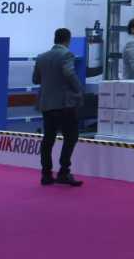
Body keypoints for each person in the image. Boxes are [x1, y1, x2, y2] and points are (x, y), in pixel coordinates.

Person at [32, 28, 84, 187]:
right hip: (64, 104)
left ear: (55, 39)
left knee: (48, 139)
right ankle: (64, 172)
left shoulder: (41, 57)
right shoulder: (67, 54)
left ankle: (46, 174)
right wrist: (78, 88)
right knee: (71, 137)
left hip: (47, 104)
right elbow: (68, 73)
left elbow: (36, 80)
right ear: (68, 40)